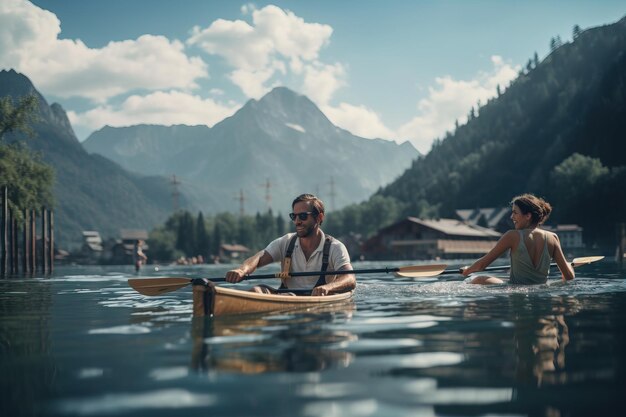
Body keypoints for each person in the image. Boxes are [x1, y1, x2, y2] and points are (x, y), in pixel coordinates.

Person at [225, 194, 356, 296]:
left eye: (303, 216)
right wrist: (242, 270)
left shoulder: (335, 247)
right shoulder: (285, 242)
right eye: (294, 216)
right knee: (257, 290)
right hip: (287, 296)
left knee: (289, 295)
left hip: (320, 306)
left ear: (319, 218)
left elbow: (350, 279)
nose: (297, 221)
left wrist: (328, 287)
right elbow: (259, 257)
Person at [461, 194, 575, 285]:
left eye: (515, 213)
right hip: (542, 291)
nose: (512, 217)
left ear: (528, 216)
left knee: (476, 279)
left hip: (517, 290)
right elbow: (569, 277)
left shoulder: (512, 236)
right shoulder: (553, 238)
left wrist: (467, 270)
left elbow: (481, 265)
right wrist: (568, 265)